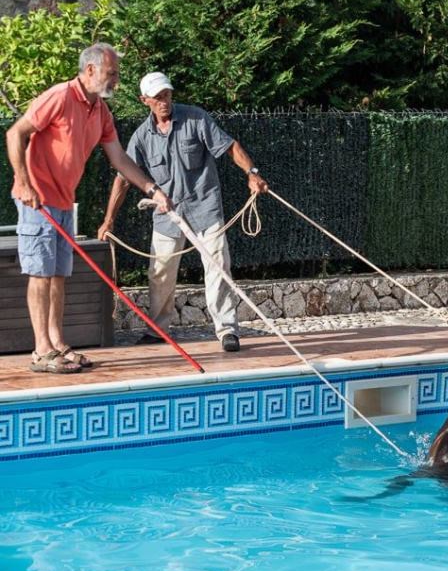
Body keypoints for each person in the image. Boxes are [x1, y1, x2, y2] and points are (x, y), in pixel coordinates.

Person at [5, 43, 172, 374]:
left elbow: (119, 158)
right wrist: (23, 183)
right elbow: (15, 133)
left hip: (64, 201)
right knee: (40, 273)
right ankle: (41, 350)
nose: (116, 80)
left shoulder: (100, 111)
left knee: (58, 276)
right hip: (37, 199)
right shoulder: (60, 96)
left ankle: (56, 343)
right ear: (91, 70)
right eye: (112, 73)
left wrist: (153, 189)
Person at [97, 72, 268, 352]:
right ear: (144, 100)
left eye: (167, 94)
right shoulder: (141, 137)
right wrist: (109, 220)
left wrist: (252, 173)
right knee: (160, 273)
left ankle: (227, 330)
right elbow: (123, 178)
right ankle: (158, 330)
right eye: (157, 97)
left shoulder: (196, 118)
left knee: (218, 265)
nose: (164, 101)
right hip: (167, 217)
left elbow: (230, 146)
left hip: (205, 207)